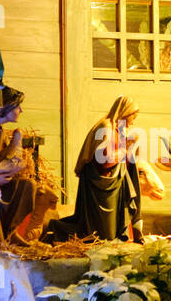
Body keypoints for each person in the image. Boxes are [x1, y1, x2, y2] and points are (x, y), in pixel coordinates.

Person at [68, 96, 164, 241]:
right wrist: (126, 150)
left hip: (112, 178)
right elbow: (105, 161)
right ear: (125, 113)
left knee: (131, 172)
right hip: (101, 182)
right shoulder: (106, 127)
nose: (134, 121)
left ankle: (134, 226)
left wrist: (129, 146)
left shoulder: (117, 129)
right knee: (105, 233)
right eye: (134, 116)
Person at [0, 85, 42, 243]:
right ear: (7, 107)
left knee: (27, 186)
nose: (21, 110)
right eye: (18, 106)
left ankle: (10, 232)